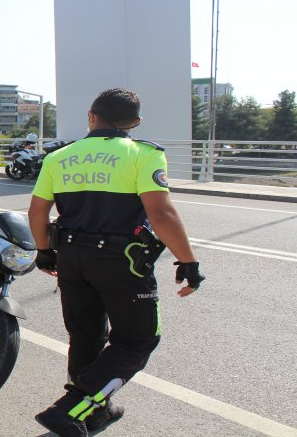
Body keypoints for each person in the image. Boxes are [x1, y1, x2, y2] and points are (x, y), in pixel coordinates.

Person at [27, 88, 205, 436]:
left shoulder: (60, 156)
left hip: (72, 256)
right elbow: (162, 213)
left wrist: (44, 250)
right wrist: (188, 261)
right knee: (137, 340)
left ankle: (94, 412)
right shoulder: (143, 154)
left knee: (85, 336)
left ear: (91, 116)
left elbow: (38, 210)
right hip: (121, 260)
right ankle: (71, 407)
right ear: (135, 123)